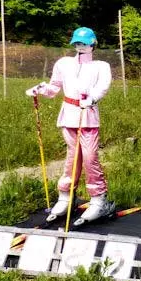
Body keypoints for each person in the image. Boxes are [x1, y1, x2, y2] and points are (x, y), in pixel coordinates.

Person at [26, 27, 114, 225]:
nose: (80, 47)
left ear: (93, 44)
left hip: (88, 115)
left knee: (90, 157)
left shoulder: (101, 66)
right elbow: (54, 87)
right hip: (69, 115)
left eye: (84, 43)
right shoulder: (63, 63)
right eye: (77, 43)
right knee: (72, 156)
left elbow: (102, 87)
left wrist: (91, 98)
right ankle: (66, 196)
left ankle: (99, 199)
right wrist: (40, 89)